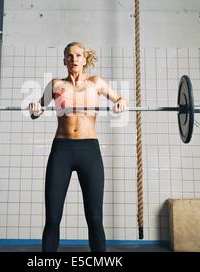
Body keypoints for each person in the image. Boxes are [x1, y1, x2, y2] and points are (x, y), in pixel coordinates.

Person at [28, 41, 127, 252]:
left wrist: (120, 102)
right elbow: (37, 111)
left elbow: (119, 98)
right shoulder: (55, 85)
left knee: (95, 217)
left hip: (89, 151)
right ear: (64, 60)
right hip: (61, 150)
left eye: (78, 55)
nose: (74, 59)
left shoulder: (96, 83)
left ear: (84, 59)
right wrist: (35, 108)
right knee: (53, 217)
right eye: (70, 56)